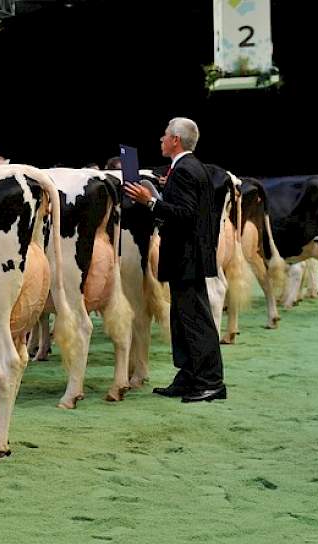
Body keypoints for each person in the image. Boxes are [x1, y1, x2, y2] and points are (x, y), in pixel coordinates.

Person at [123, 117, 226, 403]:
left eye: (164, 135)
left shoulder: (184, 170)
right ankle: (189, 376)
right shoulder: (192, 168)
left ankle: (211, 382)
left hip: (185, 257)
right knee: (183, 320)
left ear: (175, 140)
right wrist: (167, 189)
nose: (161, 139)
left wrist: (150, 200)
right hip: (190, 256)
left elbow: (185, 215)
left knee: (195, 321)